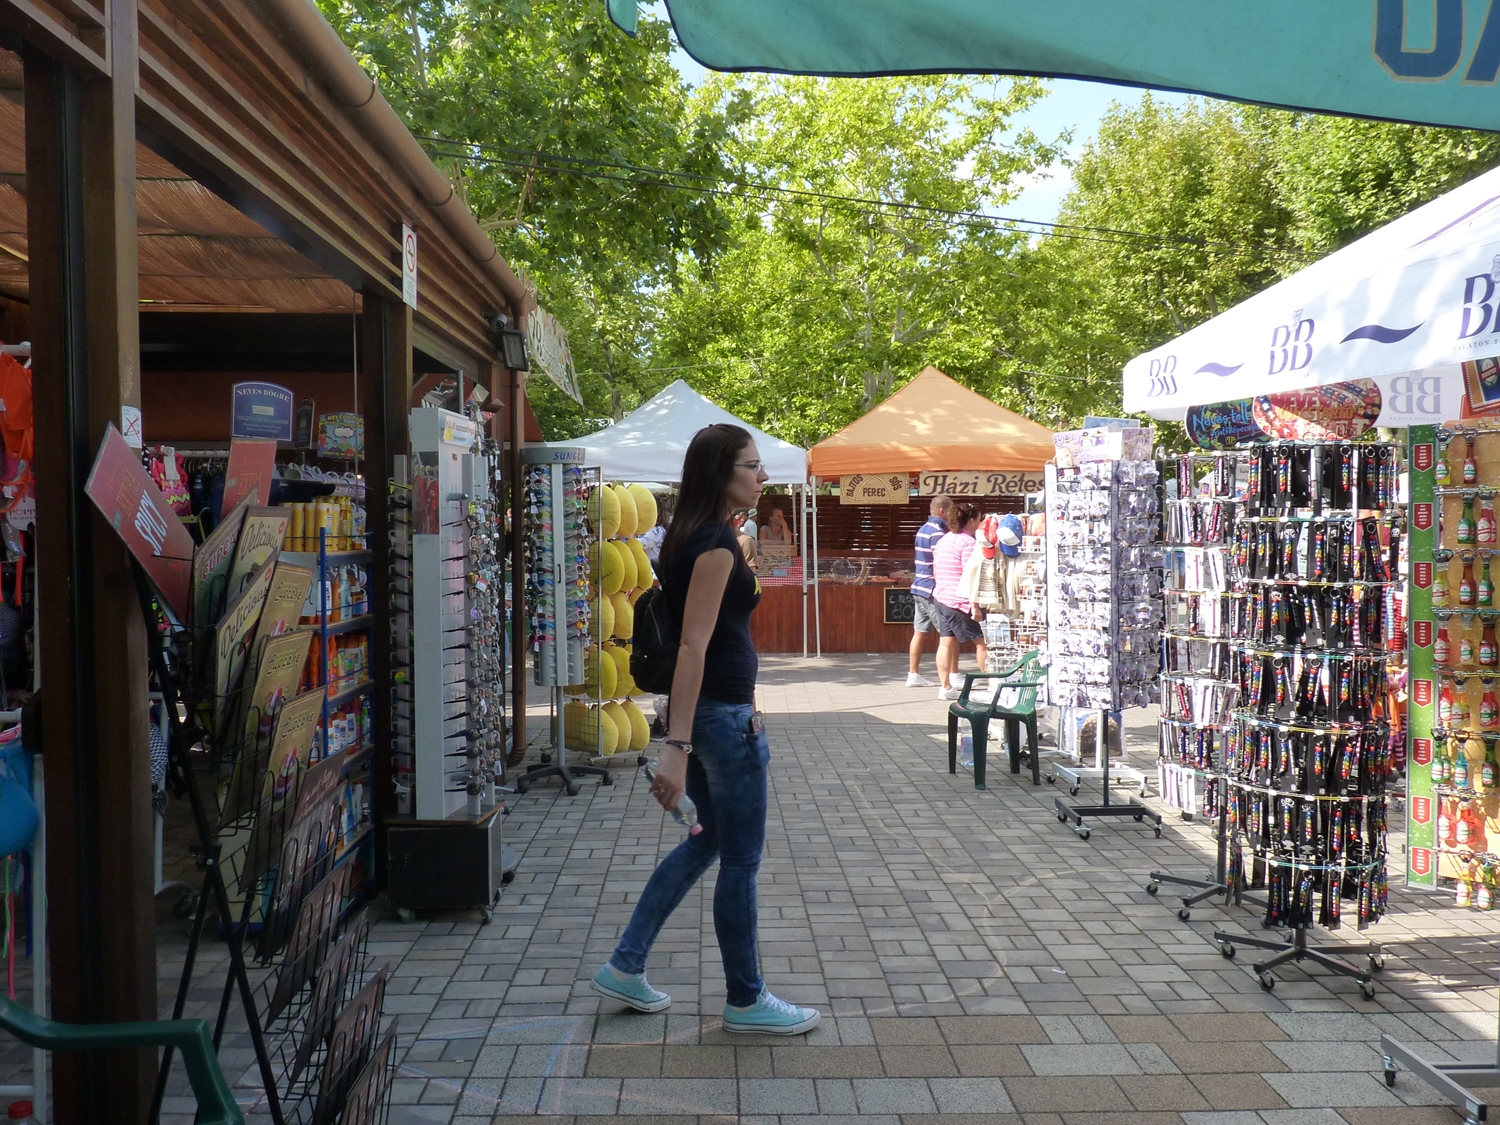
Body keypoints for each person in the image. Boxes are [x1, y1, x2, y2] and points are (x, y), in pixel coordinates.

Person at [592, 423, 820, 1035]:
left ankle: (626, 965)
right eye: (751, 465)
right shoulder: (715, 545)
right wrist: (676, 746)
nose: (763, 476)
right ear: (720, 472)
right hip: (721, 720)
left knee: (705, 842)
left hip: (708, 715)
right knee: (740, 861)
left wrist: (682, 726)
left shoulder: (691, 535)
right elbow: (693, 647)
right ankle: (746, 1000)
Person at [932, 504, 988, 701]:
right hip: (961, 601)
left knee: (945, 643)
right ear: (971, 521)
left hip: (941, 598)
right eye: (979, 520)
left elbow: (936, 570)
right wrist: (975, 606)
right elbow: (970, 576)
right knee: (982, 643)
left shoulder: (943, 540)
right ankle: (993, 684)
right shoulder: (968, 543)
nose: (980, 524)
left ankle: (945, 687)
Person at [906, 495, 953, 688]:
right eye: (950, 510)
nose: (952, 515)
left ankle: (913, 674)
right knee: (948, 635)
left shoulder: (923, 529)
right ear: (942, 511)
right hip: (932, 589)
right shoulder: (937, 534)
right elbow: (939, 563)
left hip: (919, 586)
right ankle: (951, 678)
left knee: (919, 632)